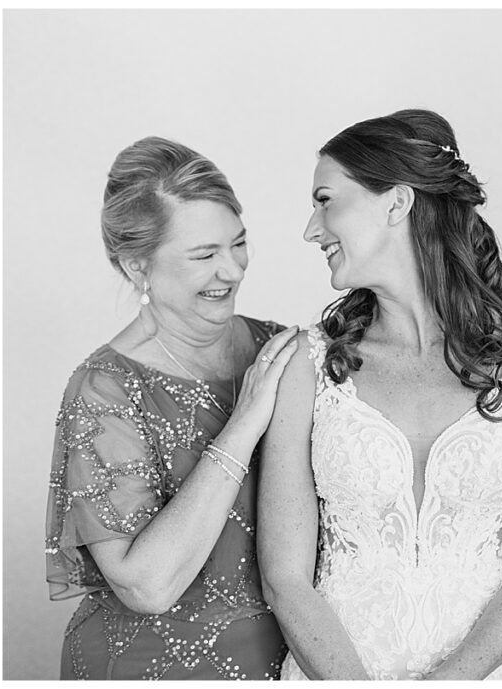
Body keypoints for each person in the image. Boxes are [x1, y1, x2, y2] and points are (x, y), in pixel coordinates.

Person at [257, 109, 502, 680]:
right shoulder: (308, 365)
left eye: (326, 201)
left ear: (397, 203)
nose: (311, 229)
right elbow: (284, 579)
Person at [44, 137, 299, 679]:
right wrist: (243, 424)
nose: (233, 271)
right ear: (138, 266)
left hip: (290, 662)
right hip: (150, 667)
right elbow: (147, 586)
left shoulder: (279, 349)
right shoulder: (105, 389)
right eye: (204, 256)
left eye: (239, 243)